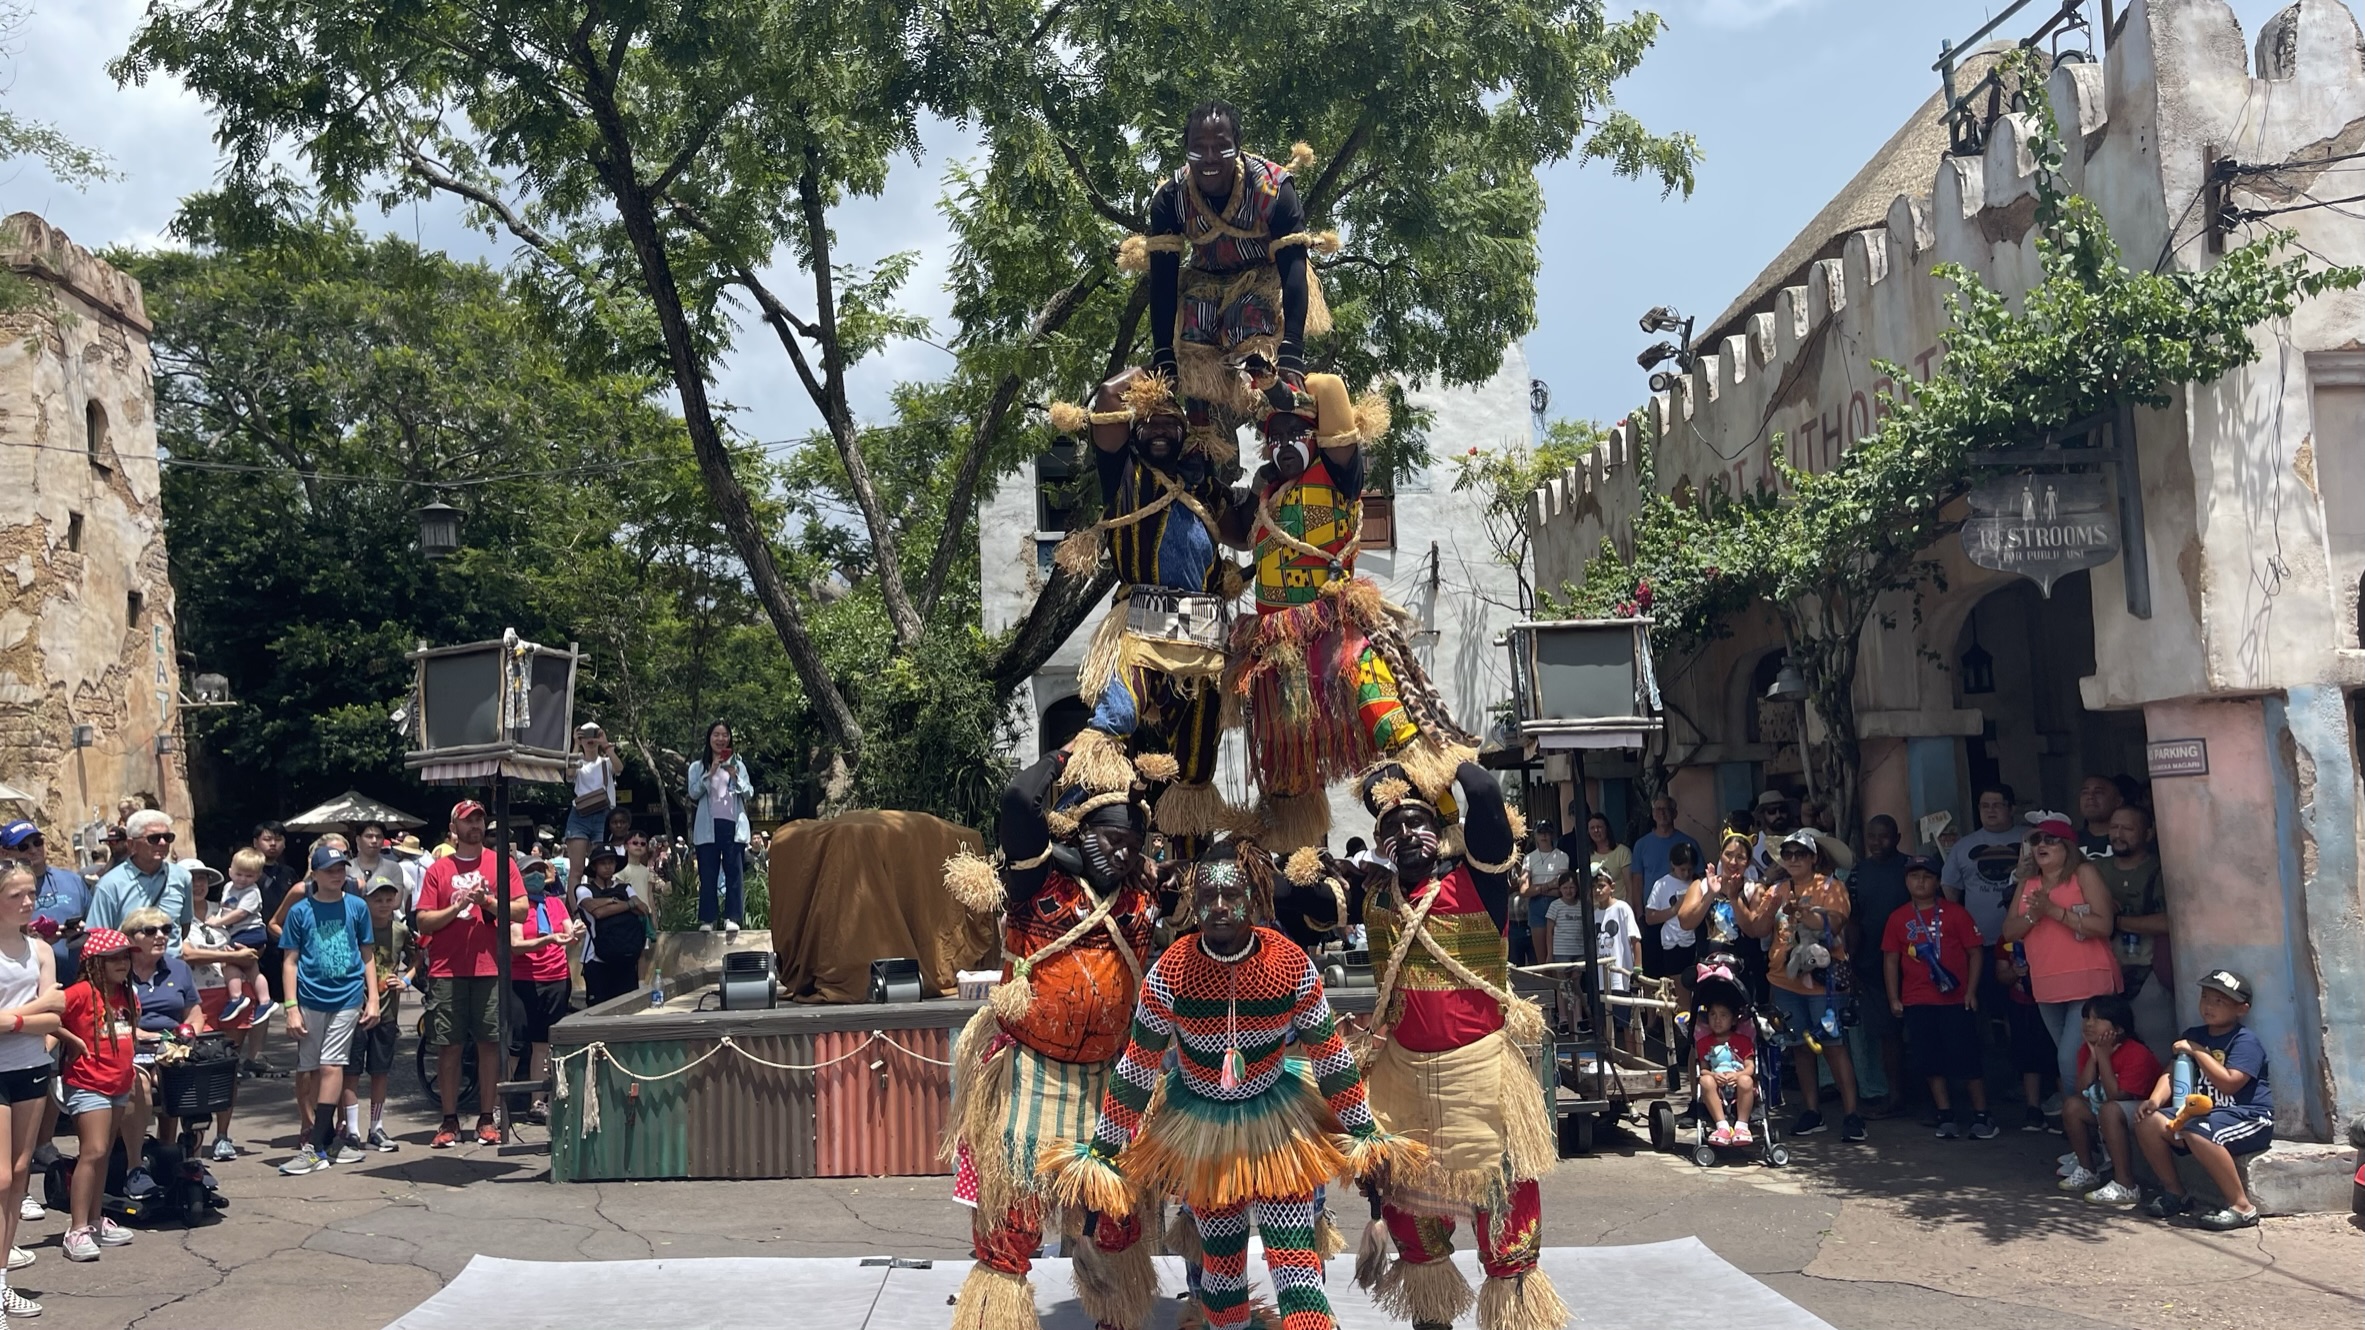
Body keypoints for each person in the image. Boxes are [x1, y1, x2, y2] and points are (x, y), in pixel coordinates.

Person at [1042, 840, 1417, 1330]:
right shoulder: (1170, 971)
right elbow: (1137, 1068)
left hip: (1279, 1131)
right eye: (1208, 895)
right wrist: (1102, 1153)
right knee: (1220, 1269)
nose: (1219, 906)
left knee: (1295, 1262)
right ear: (1194, 901)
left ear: (1256, 898)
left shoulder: (1290, 965)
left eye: (1232, 893)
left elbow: (1330, 1057)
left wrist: (1366, 1135)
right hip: (1204, 1134)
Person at [937, 743, 1159, 1330]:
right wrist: (1068, 754)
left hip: (1107, 1083)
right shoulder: (1038, 879)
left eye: (1133, 844)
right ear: (1081, 831)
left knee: (1115, 1218)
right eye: (1113, 839)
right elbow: (1016, 801)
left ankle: (1117, 1315)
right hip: (1031, 1075)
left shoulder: (1141, 895)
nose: (1123, 853)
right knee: (1013, 1219)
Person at [1354, 759, 1567, 1330]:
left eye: (1418, 823)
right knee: (1410, 1221)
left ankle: (1513, 1318)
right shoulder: (1376, 901)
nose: (1405, 836)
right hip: (1403, 1084)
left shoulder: (1479, 882)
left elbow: (1486, 797)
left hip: (1481, 1081)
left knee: (1504, 1213)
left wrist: (1438, 760)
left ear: (1444, 830)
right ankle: (1432, 1318)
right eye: (1391, 830)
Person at [1221, 361, 1469, 850]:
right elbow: (1232, 530)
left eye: (1295, 433)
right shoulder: (1266, 494)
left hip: (1337, 635)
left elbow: (1332, 390)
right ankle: (1296, 856)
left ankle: (1448, 827)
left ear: (1317, 438)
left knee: (1389, 721)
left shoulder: (1338, 476)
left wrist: (1279, 385)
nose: (1282, 445)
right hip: (1276, 650)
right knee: (1284, 761)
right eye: (1274, 438)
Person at [1046, 364, 1242, 859]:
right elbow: (1108, 395)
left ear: (1183, 435)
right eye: (1149, 422)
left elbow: (1245, 526)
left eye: (1169, 424)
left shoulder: (1203, 487)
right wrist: (1166, 366)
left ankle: (1190, 875)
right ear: (1136, 429)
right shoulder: (1125, 473)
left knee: (1195, 766)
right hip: (1139, 629)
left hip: (1201, 643)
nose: (1158, 431)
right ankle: (1066, 829)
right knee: (1115, 719)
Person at [1127, 100, 1322, 426]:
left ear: (1238, 147)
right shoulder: (1171, 198)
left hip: (1263, 278)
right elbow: (1163, 280)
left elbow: (1293, 268)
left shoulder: (1273, 188)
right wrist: (1163, 351)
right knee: (1194, 325)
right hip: (1205, 279)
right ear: (1186, 150)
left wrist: (1292, 349)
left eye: (1221, 146)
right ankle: (1201, 438)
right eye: (1198, 148)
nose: (1210, 157)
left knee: (1248, 323)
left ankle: (1282, 415)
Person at [1743, 828, 1866, 1142]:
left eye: (1800, 853)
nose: (1793, 859)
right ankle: (1812, 1111)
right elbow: (1757, 928)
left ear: (1814, 857)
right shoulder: (1778, 889)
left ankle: (1853, 1114)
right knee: (1799, 1047)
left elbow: (1834, 925)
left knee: (1834, 1047)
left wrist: (1801, 912)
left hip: (1823, 984)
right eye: (1788, 854)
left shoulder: (1831, 886)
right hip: (1785, 980)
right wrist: (1734, 897)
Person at [2000, 812, 2119, 1129]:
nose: (2042, 845)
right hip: (2047, 984)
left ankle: (2083, 1130)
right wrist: (2034, 916)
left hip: (2088, 979)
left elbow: (2104, 924)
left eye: (2050, 839)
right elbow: (2009, 931)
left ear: (2068, 845)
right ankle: (2089, 1132)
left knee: (2070, 1060)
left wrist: (2053, 911)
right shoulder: (2028, 882)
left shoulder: (2083, 873)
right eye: (2036, 839)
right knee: (2075, 1060)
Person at [414, 801, 518, 1150]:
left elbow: (519, 909)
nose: (475, 825)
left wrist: (487, 902)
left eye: (480, 819)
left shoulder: (500, 863)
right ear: (454, 825)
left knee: (490, 1044)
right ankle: (448, 1119)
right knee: (448, 1046)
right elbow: (423, 921)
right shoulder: (438, 870)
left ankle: (487, 1118)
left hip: (490, 967)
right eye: (468, 820)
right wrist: (457, 907)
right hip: (447, 969)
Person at [2136, 969, 2273, 1230]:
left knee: (2196, 1129)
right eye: (2206, 997)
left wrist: (2197, 1052)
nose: (2209, 1005)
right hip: (2204, 1116)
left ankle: (2242, 1208)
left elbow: (2230, 1084)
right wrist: (2155, 1100)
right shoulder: (2195, 1035)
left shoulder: (2245, 1041)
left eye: (2219, 1001)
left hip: (2249, 1117)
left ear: (2241, 1009)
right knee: (2147, 1122)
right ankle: (2176, 1193)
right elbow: (2171, 1071)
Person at [277, 843, 379, 1176]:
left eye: (341, 869)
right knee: (309, 1068)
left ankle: (317, 1145)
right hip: (309, 998)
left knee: (332, 1064)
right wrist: (290, 1006)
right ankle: (317, 1135)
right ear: (315, 874)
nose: (337, 875)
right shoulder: (300, 911)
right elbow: (289, 961)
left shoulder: (357, 907)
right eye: (330, 870)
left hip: (348, 997)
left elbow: (367, 954)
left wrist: (373, 997)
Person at [1881, 855, 1995, 1140]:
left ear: (1937, 881)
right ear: (1906, 881)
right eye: (1914, 876)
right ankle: (1945, 1114)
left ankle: (1982, 1114)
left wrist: (1971, 990)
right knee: (1929, 1059)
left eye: (1927, 876)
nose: (1920, 882)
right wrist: (1894, 997)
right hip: (1917, 998)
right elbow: (1891, 960)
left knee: (1967, 1057)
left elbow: (1975, 952)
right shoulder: (1897, 917)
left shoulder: (1956, 913)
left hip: (1956, 999)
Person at [58, 927, 137, 1263]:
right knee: (93, 1151)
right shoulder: (78, 993)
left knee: (104, 1153)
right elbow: (48, 1018)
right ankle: (75, 1230)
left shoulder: (127, 995)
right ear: (94, 963)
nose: (122, 963)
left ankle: (94, 1221)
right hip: (87, 1083)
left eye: (126, 956)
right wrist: (71, 1040)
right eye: (113, 958)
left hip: (119, 1084)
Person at [0, 868, 56, 1321]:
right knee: (0, 1176)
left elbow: (56, 1011)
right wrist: (35, 1014)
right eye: (16, 894)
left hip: (32, 1066)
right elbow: (47, 1006)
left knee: (20, 1174)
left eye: (31, 893)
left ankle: (1, 1282)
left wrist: (13, 1021)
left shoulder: (40, 949)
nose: (27, 901)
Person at [120, 905, 205, 1197]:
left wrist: (190, 1033)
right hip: (131, 1045)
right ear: (131, 938)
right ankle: (135, 1167)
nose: (161, 936)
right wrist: (142, 1034)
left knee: (191, 1076)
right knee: (139, 1083)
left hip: (172, 1047)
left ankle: (184, 1156)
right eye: (151, 931)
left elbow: (195, 1013)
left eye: (166, 930)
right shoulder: (119, 970)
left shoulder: (178, 968)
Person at [176, 872, 256, 1164]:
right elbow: (185, 955)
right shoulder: (174, 915)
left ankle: (223, 1135)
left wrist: (241, 955)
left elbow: (249, 943)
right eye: (191, 879)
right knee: (191, 1069)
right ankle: (191, 1141)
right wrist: (227, 956)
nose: (197, 885)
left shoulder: (223, 910)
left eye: (202, 879)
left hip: (231, 993)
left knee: (227, 1067)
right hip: (195, 996)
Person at [2058, 994, 2161, 1206]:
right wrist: (2094, 1058)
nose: (2089, 1024)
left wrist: (2103, 1057)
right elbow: (2081, 1090)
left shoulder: (2136, 1052)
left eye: (2097, 1019)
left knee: (2110, 1109)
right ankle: (2087, 1170)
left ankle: (2126, 1184)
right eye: (2086, 1018)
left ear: (2119, 1028)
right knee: (2072, 1106)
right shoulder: (2087, 1050)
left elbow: (2116, 1096)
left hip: (2143, 1115)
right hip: (2104, 1110)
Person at [1847, 815, 1912, 1115]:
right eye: (1871, 836)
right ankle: (1896, 1097)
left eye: (1883, 836)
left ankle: (1935, 1099)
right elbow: (1853, 918)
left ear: (1897, 838)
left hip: (1916, 963)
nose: (1876, 842)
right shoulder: (1859, 872)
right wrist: (1851, 959)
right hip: (1872, 963)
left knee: (1920, 1032)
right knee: (1887, 1035)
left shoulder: (1911, 868)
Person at [509, 857, 578, 1125]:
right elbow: (516, 944)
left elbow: (569, 934)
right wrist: (548, 939)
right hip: (522, 980)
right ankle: (494, 1106)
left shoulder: (555, 903)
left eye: (540, 870)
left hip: (555, 977)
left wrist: (576, 933)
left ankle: (537, 1102)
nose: (536, 875)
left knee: (542, 1043)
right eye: (530, 871)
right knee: (514, 1045)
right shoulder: (517, 907)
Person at [354, 877, 412, 1150]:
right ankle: (350, 1127)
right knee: (350, 1072)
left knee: (380, 1071)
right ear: (366, 901)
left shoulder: (400, 930)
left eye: (389, 899)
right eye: (377, 899)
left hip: (388, 1012)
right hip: (356, 1010)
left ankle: (376, 1127)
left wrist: (406, 980)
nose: (384, 904)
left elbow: (419, 958)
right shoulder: (355, 928)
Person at [87, 809, 191, 952]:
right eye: (153, 838)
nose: (162, 843)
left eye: (167, 837)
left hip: (171, 969)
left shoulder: (182, 877)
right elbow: (98, 937)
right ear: (131, 844)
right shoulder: (110, 884)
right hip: (129, 970)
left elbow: (184, 928)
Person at [2094, 805, 2168, 999]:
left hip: (2148, 968)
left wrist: (2115, 920)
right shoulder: (2093, 869)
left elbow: (2169, 922)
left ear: (2148, 833)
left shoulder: (2161, 869)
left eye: (2128, 829)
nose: (2118, 834)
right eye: (2113, 827)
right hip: (2102, 967)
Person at [687, 722, 752, 934]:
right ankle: (708, 918)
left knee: (734, 874)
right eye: (716, 735)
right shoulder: (697, 767)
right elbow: (693, 794)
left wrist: (736, 777)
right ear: (709, 738)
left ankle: (732, 917)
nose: (721, 739)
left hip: (733, 826)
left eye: (725, 735)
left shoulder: (739, 766)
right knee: (708, 875)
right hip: (707, 827)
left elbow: (749, 793)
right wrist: (711, 772)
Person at [1941, 785, 2025, 946]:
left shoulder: (2032, 838)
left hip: (2027, 937)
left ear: (2012, 808)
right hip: (1979, 941)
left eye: (1997, 805)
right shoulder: (1963, 846)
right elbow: (1950, 888)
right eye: (1984, 806)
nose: (1990, 810)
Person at [1630, 795, 1701, 974]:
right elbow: (1637, 882)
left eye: (1667, 809)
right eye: (1658, 809)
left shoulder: (1689, 843)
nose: (1662, 813)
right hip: (1654, 916)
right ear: (1652, 814)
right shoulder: (1642, 844)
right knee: (1654, 971)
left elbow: (1699, 878)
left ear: (1675, 813)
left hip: (1685, 921)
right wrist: (1639, 916)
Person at [576, 846, 648, 1008]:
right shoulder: (584, 889)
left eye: (611, 862)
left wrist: (609, 903)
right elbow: (595, 912)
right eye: (603, 863)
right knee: (598, 1010)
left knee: (626, 1009)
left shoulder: (625, 888)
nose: (608, 866)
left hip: (626, 957)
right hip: (596, 959)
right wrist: (625, 903)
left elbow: (642, 908)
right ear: (594, 866)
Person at [207, 848, 272, 1024]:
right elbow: (225, 907)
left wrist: (217, 922)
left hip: (251, 931)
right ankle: (264, 1000)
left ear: (257, 876)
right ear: (230, 872)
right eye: (239, 874)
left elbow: (240, 914)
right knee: (251, 968)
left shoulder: (252, 892)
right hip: (238, 931)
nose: (243, 879)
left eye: (249, 876)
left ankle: (236, 998)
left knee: (229, 961)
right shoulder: (228, 887)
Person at [1588, 864, 1642, 1055]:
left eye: (1601, 886)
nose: (1597, 890)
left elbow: (1634, 938)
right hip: (1600, 977)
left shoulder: (1622, 908)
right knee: (1603, 1021)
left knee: (1625, 1022)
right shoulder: (1593, 914)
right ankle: (1609, 1057)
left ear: (1611, 886)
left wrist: (1637, 968)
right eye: (1594, 887)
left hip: (1620, 975)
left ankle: (1633, 1059)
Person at [1642, 839, 1702, 1006]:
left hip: (1695, 942)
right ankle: (1682, 1026)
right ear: (1672, 865)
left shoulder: (1698, 883)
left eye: (1690, 870)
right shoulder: (1662, 884)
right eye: (1682, 869)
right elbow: (1650, 917)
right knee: (1679, 988)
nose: (1685, 874)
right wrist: (1675, 910)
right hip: (1672, 943)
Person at [566, 722, 620, 894]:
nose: (590, 739)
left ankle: (596, 906)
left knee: (598, 870)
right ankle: (575, 911)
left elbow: (619, 768)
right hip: (579, 815)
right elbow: (569, 775)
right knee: (577, 870)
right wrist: (575, 744)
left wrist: (605, 744)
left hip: (602, 815)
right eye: (586, 735)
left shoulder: (605, 762)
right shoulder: (578, 761)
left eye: (593, 734)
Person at [1694, 1000, 1758, 1146]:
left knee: (1746, 1080)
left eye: (1723, 1016)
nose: (1717, 1020)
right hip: (1717, 1083)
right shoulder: (1704, 1042)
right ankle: (1722, 1126)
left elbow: (1750, 1067)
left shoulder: (1743, 1041)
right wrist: (1714, 1076)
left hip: (1739, 1084)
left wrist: (1738, 1075)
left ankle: (1742, 1126)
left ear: (1734, 1019)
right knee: (1705, 1080)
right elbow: (1703, 1069)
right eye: (1713, 1015)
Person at [1543, 874, 1587, 1033]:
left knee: (1576, 986)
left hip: (1579, 951)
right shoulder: (1555, 906)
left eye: (1572, 887)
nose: (1569, 891)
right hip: (1561, 952)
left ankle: (1578, 1019)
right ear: (1560, 889)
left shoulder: (1583, 905)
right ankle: (1563, 1020)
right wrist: (1549, 953)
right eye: (1565, 888)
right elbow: (1549, 932)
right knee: (1562, 987)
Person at [1522, 822, 1569, 965]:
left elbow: (1562, 889)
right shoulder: (1529, 858)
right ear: (1535, 835)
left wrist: (1537, 888)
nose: (1544, 836)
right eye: (1540, 832)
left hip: (1556, 904)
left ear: (1552, 835)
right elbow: (1524, 890)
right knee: (1542, 958)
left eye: (1547, 832)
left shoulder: (1562, 856)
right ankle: (1549, 986)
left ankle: (1560, 986)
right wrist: (1550, 885)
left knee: (1557, 953)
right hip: (1536, 906)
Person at [1582, 811, 1630, 911]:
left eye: (1599, 827)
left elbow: (1630, 886)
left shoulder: (1622, 852)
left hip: (1617, 909)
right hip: (1595, 912)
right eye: (1592, 828)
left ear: (1607, 829)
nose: (1596, 830)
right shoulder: (1586, 856)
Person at [2075, 774, 2123, 859]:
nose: (2090, 797)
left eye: (2098, 792)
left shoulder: (2127, 840)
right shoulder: (2070, 842)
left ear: (2118, 801)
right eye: (2085, 792)